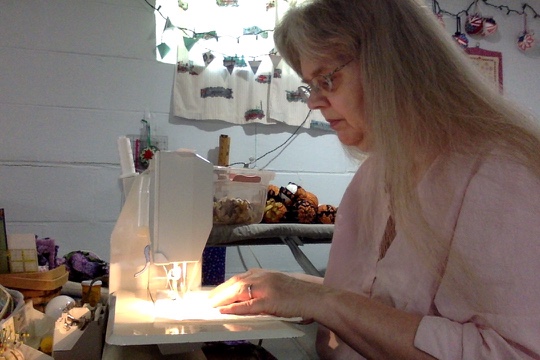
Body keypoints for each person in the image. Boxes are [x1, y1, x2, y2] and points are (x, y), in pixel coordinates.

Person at [209, 0, 540, 358]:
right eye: (310, 86)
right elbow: (389, 303)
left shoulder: (505, 172)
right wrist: (294, 289)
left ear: (393, 67)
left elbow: (511, 351)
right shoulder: (376, 175)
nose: (314, 102)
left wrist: (319, 298)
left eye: (327, 79)